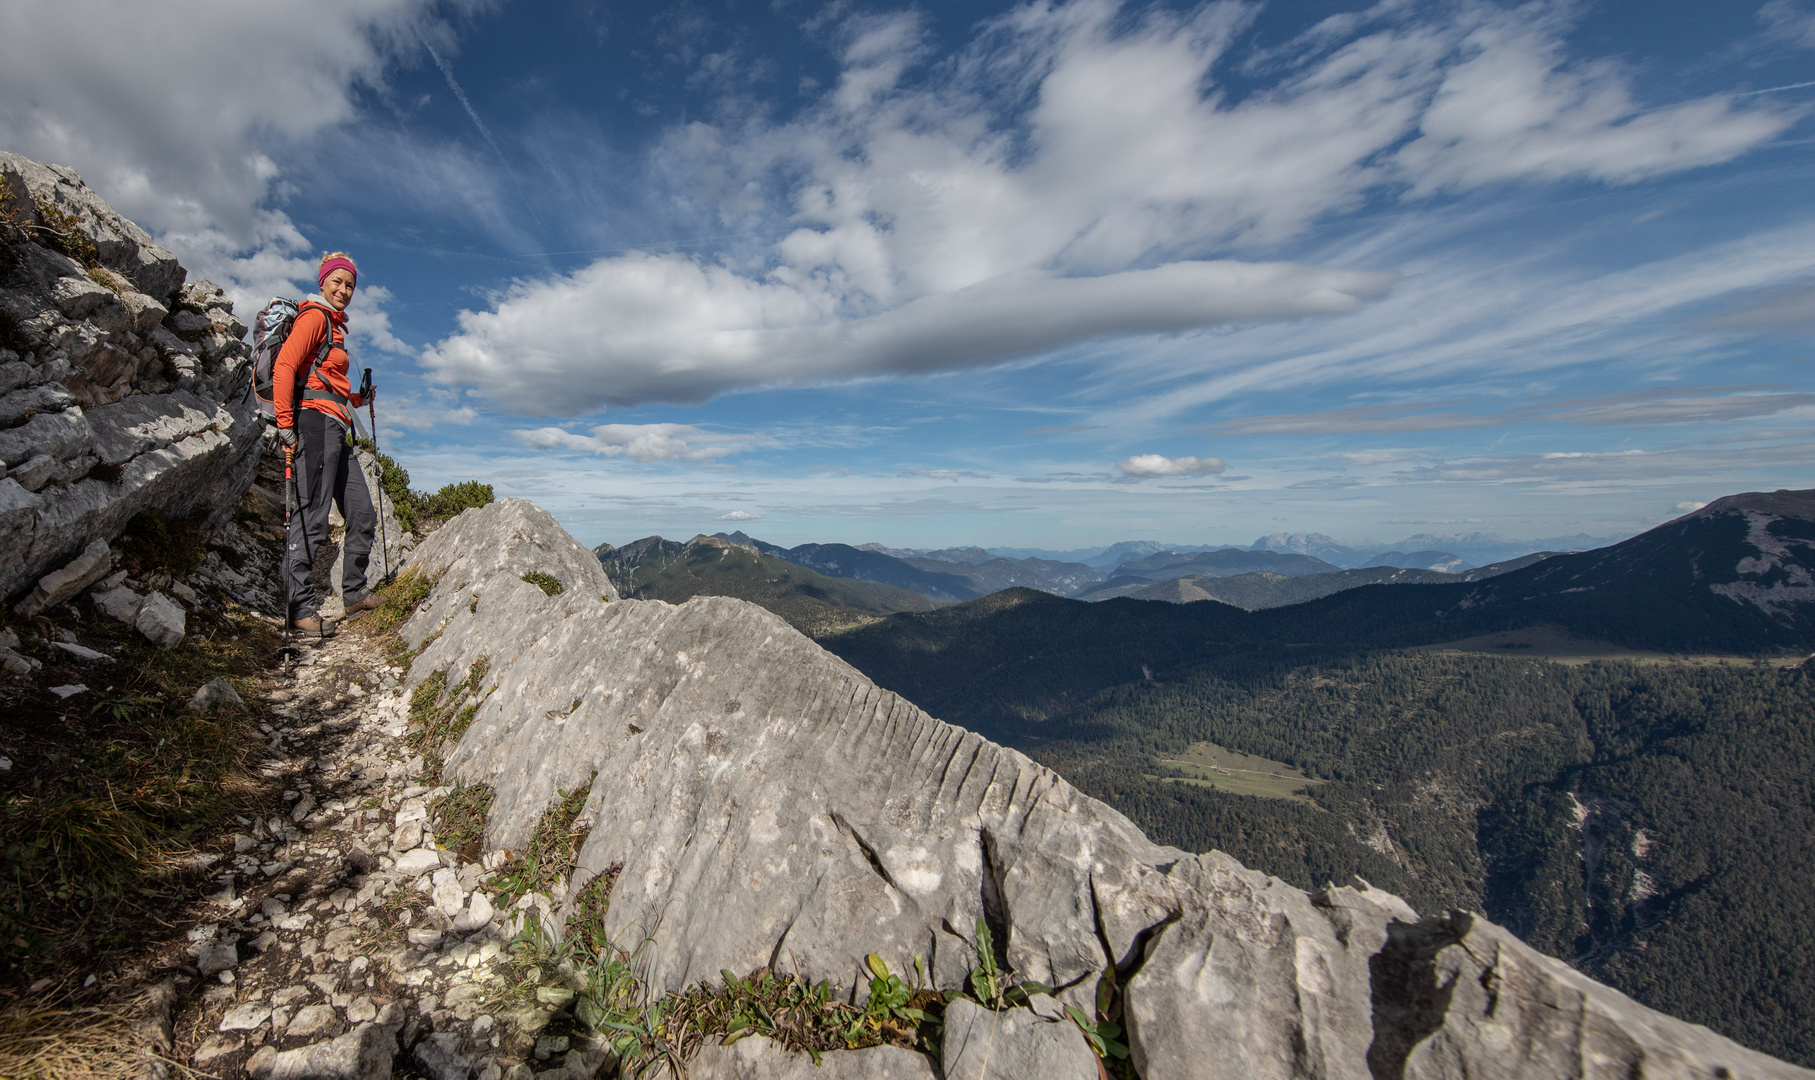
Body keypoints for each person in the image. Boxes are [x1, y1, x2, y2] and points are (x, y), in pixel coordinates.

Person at [273, 252, 379, 636]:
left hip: (337, 426)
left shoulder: (335, 327)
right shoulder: (315, 317)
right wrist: (285, 424)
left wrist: (358, 400)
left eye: (350, 285)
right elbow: (285, 366)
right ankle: (298, 610)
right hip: (314, 425)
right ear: (322, 282)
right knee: (312, 517)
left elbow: (325, 381)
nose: (344, 290)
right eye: (337, 282)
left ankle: (353, 593)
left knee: (362, 511)